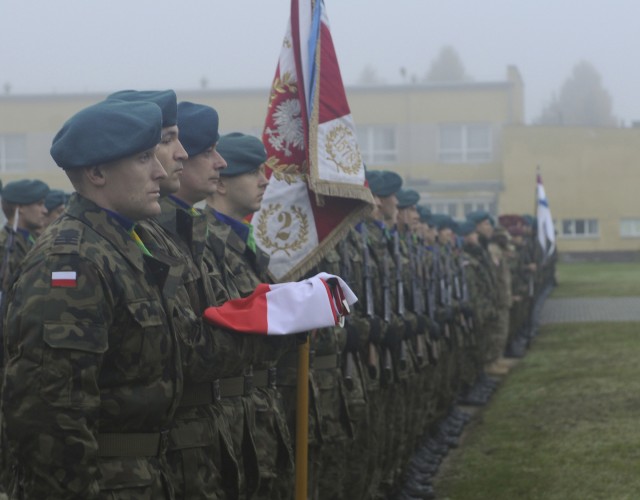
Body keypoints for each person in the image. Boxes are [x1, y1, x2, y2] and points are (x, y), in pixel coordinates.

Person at [1, 99, 184, 498]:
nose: (159, 170)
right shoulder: (73, 260)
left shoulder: (124, 243)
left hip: (145, 477)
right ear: (97, 172)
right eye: (142, 159)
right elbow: (50, 417)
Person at [207, 132, 296, 499]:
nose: (265, 180)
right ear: (222, 182)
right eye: (253, 172)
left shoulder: (243, 241)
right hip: (228, 413)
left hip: (257, 407)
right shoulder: (204, 245)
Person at [0, 179, 49, 291]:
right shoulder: (6, 247)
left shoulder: (30, 238)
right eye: (39, 204)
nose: (45, 210)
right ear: (20, 208)